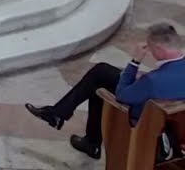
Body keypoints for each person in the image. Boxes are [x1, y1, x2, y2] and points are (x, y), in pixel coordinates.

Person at [26, 23, 185, 160]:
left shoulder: (152, 81)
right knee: (101, 74)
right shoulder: (156, 77)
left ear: (159, 49)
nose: (149, 51)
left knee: (99, 84)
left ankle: (83, 136)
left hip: (144, 123)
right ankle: (64, 119)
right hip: (174, 122)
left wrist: (135, 62)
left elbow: (122, 95)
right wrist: (143, 78)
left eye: (150, 47)